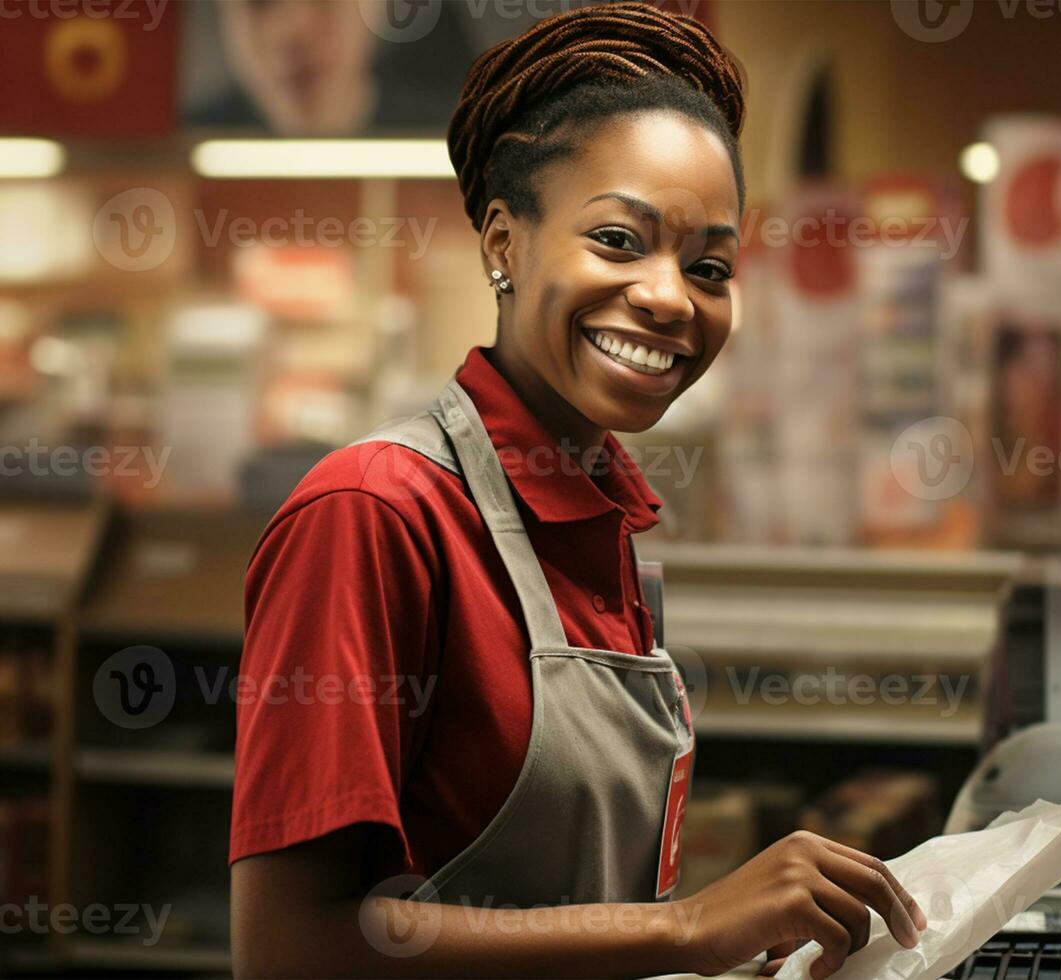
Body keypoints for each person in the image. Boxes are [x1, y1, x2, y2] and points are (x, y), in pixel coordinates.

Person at [227, 5, 927, 978]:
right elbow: (286, 948)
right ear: (505, 244)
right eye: (616, 240)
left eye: (709, 265)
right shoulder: (376, 512)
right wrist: (685, 927)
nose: (671, 296)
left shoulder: (614, 527)